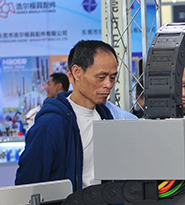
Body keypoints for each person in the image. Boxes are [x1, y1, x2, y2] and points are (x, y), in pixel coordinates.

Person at [16, 40, 117, 190]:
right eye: (101, 77)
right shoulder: (51, 124)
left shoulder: (106, 118)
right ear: (76, 73)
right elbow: (27, 184)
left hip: (103, 204)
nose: (108, 84)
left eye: (113, 78)